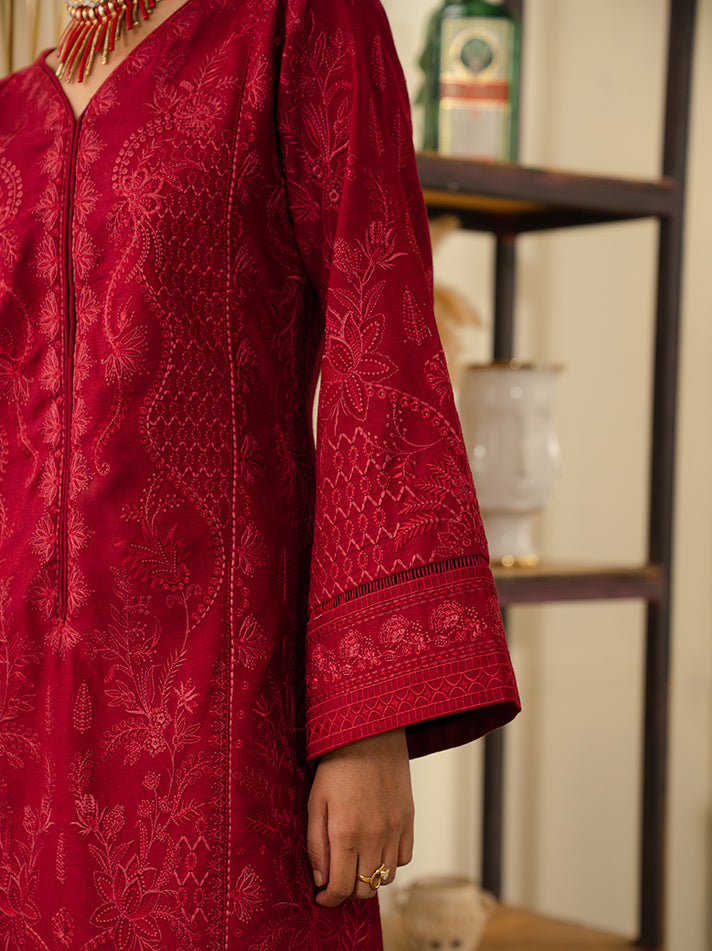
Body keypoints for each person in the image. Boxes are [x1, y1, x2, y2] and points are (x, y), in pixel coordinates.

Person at [0, 0, 520, 947]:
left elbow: (381, 337)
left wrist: (367, 724)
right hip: (17, 714)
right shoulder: (11, 114)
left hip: (223, 717)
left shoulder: (295, 25)